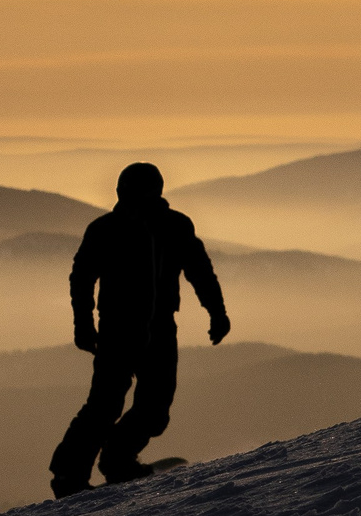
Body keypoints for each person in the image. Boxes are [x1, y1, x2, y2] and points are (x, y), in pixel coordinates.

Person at [49, 162, 230, 498]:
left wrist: (217, 312)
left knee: (151, 407)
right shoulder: (109, 229)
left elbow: (199, 271)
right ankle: (74, 473)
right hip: (119, 329)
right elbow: (82, 278)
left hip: (152, 328)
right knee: (107, 404)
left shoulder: (171, 226)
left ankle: (113, 461)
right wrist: (83, 324)